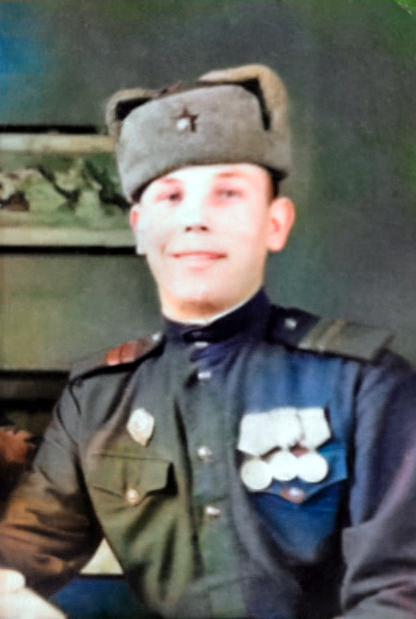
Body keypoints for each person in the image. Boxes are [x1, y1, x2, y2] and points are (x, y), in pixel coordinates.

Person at [0, 63, 416, 619]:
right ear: (139, 227)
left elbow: (397, 595)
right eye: (171, 197)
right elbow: (21, 553)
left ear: (275, 222)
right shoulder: (97, 399)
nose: (196, 218)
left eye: (228, 193)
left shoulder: (364, 384)